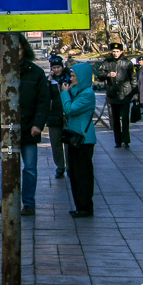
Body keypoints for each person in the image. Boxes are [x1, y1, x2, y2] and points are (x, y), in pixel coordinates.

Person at [0, 33, 51, 216]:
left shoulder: (36, 73)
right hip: (8, 131)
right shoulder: (2, 71)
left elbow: (43, 101)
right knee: (8, 165)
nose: (17, 52)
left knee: (30, 168)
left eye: (20, 48)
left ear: (25, 50)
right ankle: (6, 200)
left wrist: (38, 125)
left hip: (28, 131)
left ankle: (29, 203)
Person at [60, 61, 97, 217]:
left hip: (83, 140)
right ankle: (79, 205)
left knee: (82, 174)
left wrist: (64, 93)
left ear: (82, 77)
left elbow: (70, 109)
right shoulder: (77, 91)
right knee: (74, 173)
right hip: (74, 138)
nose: (71, 78)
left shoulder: (87, 94)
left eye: (74, 76)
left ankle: (85, 206)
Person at [97, 41, 137, 147]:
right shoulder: (106, 62)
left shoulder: (127, 63)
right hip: (113, 94)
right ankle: (117, 141)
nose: (115, 53)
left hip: (125, 93)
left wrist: (135, 93)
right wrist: (107, 74)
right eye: (113, 51)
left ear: (121, 52)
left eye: (117, 51)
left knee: (125, 118)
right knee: (115, 119)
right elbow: (99, 75)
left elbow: (133, 78)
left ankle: (126, 140)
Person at [46, 55, 68, 178]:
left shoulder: (68, 78)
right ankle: (60, 166)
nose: (56, 70)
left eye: (58, 67)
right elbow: (44, 96)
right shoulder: (48, 81)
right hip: (53, 115)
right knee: (56, 144)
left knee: (69, 143)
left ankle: (70, 166)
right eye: (54, 67)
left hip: (67, 114)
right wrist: (49, 81)